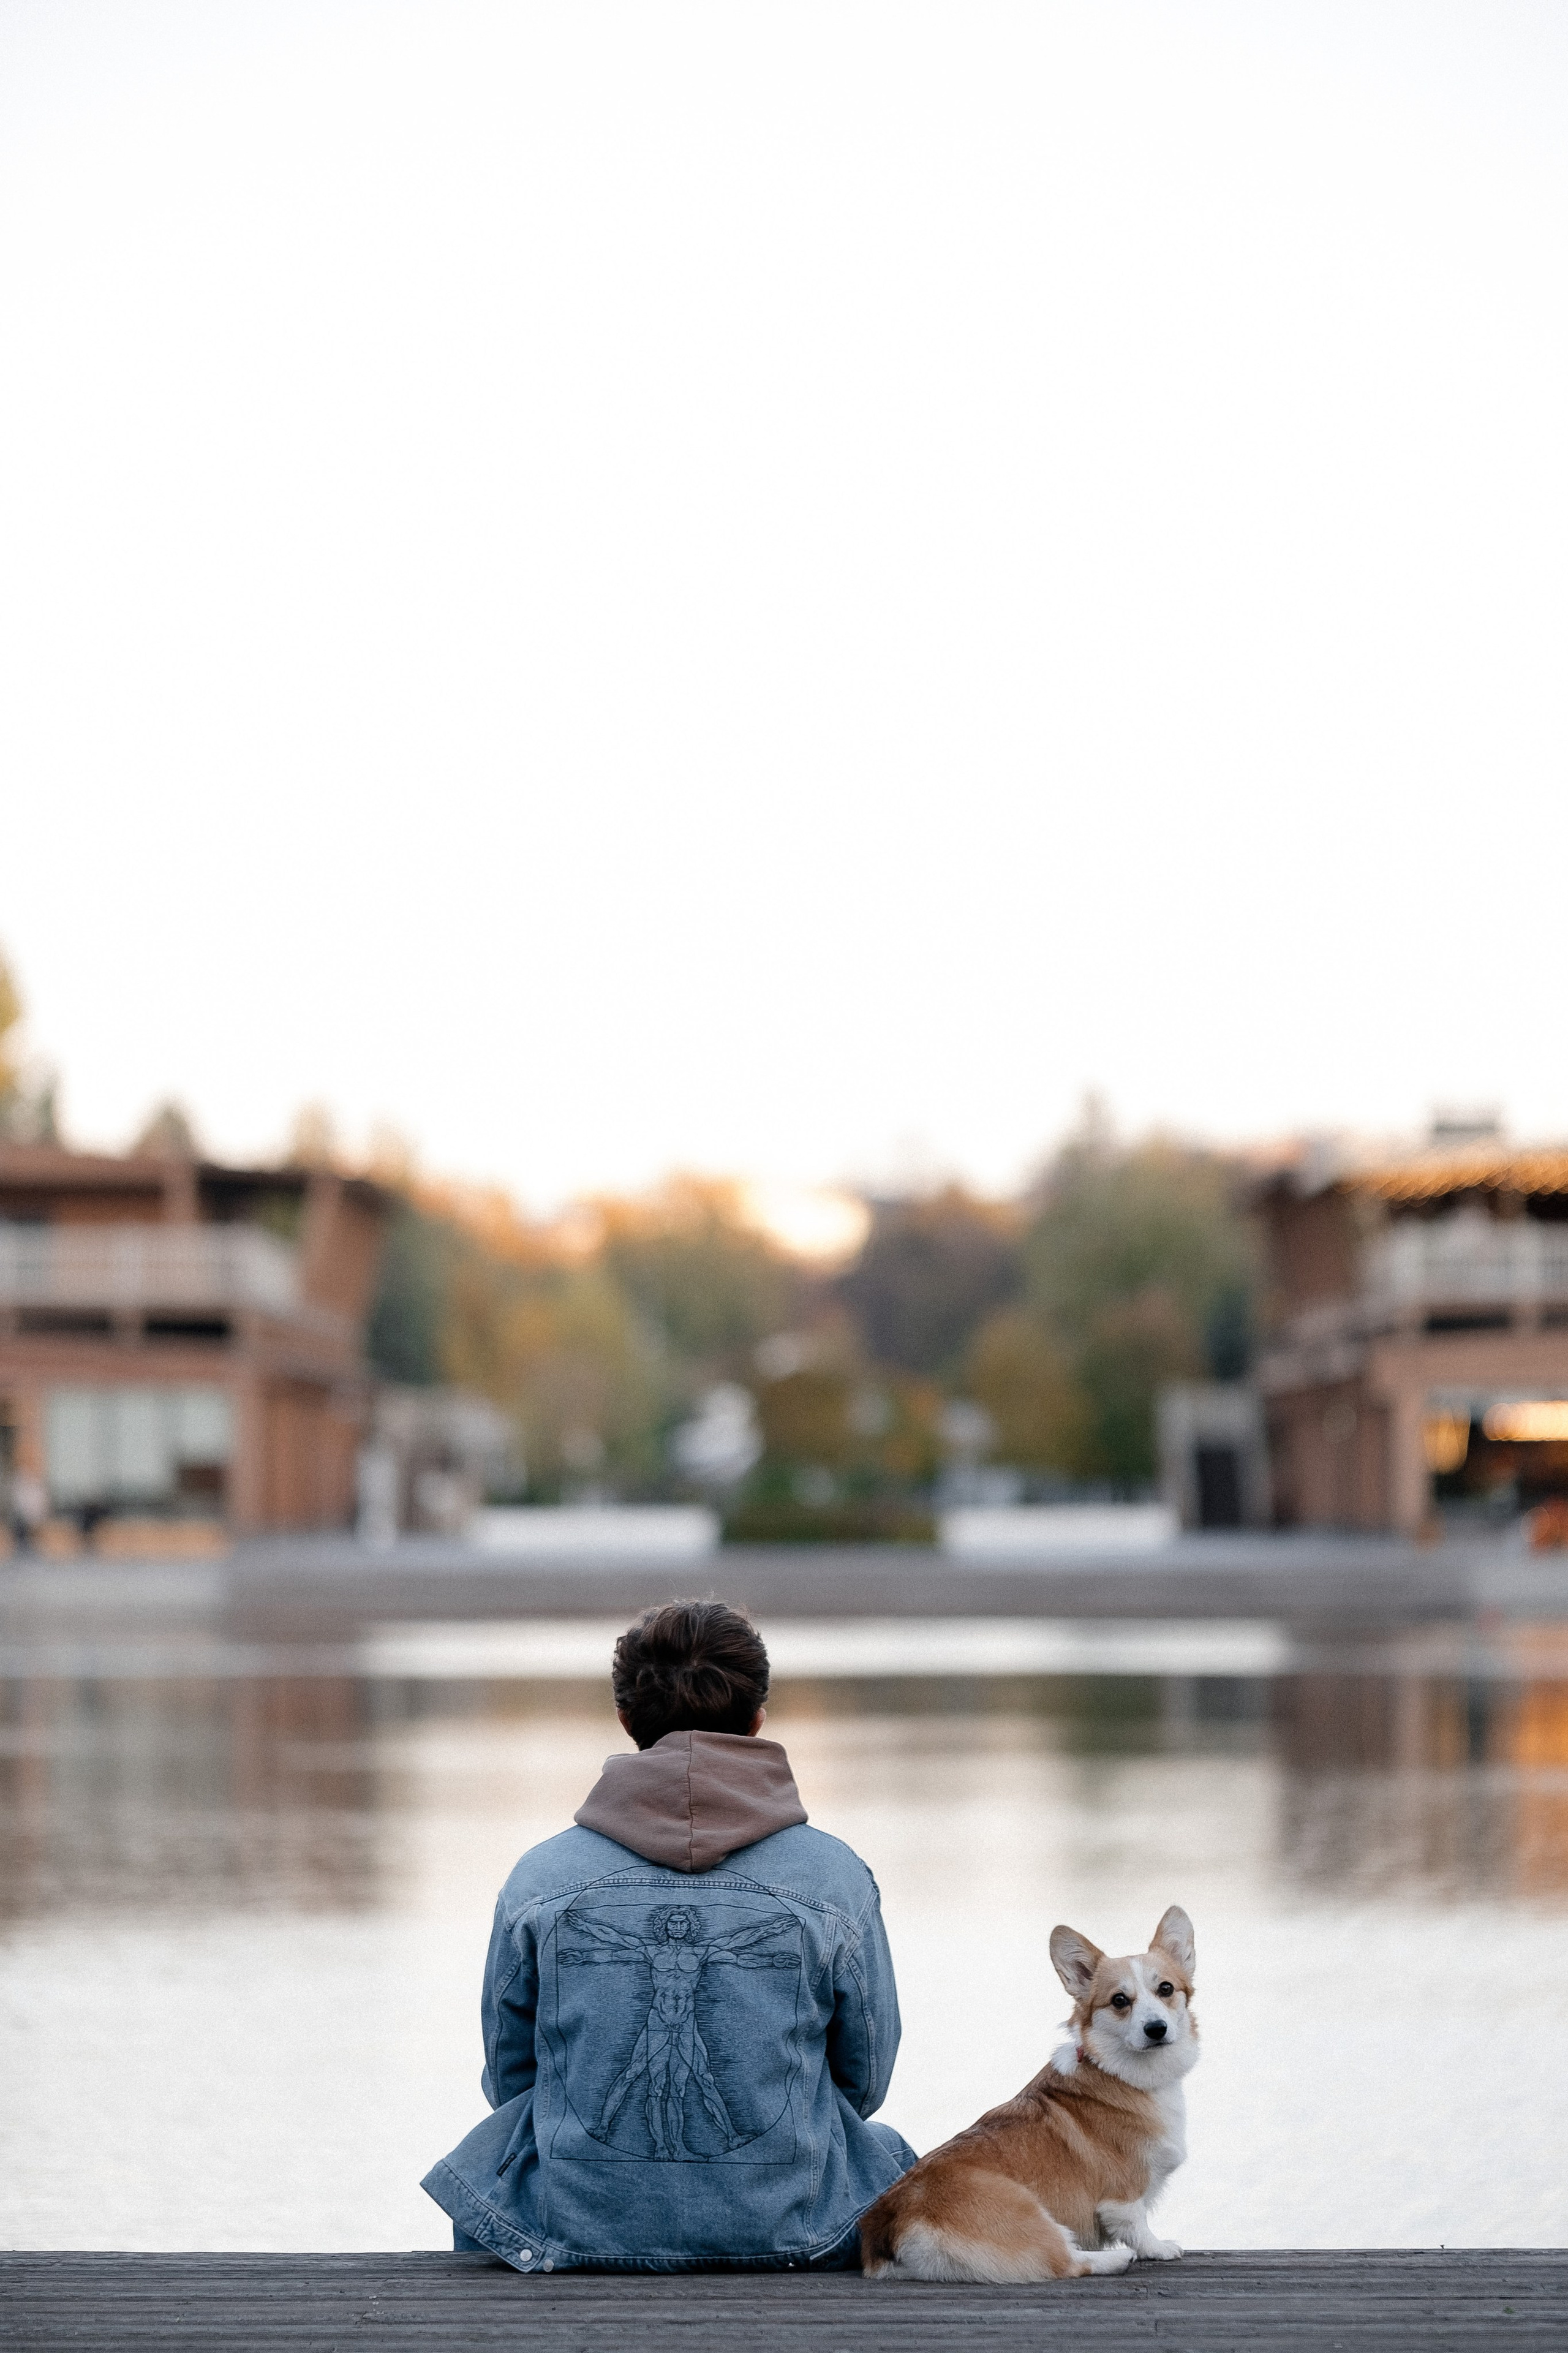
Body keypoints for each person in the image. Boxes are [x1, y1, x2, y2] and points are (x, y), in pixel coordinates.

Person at [421, 1598, 914, 2272]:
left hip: (576, 2227)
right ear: (757, 1719)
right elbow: (864, 2079)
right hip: (792, 2226)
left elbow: (512, 2074)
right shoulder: (833, 1878)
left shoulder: (543, 1876)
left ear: (626, 1719)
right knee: (886, 2149)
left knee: (498, 2160)